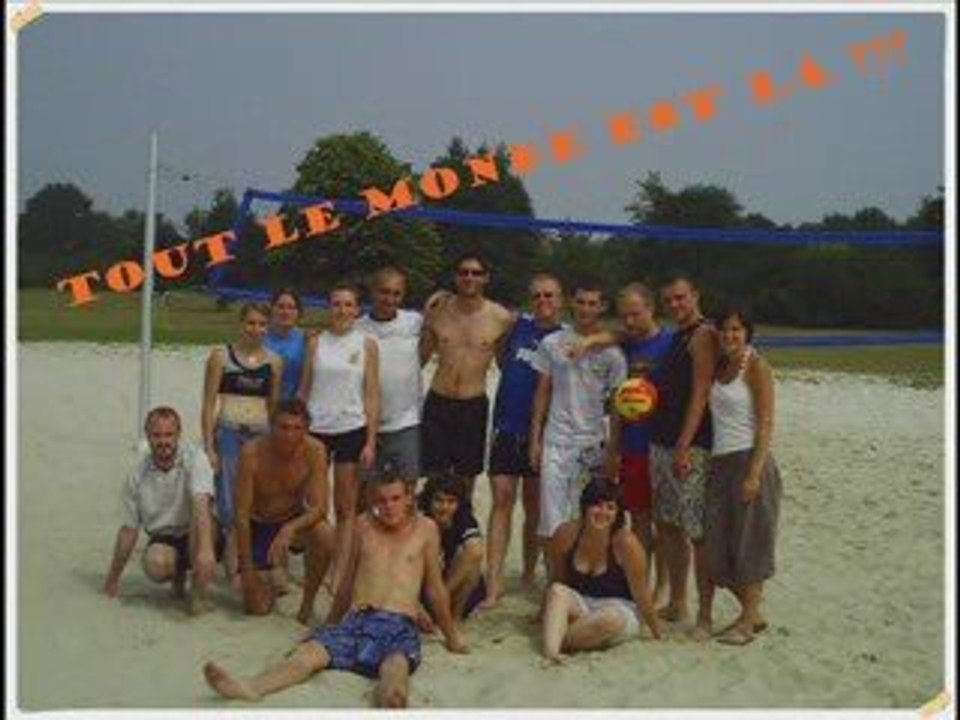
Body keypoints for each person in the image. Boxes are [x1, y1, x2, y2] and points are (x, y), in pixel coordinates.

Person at [202, 471, 469, 709]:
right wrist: (330, 623)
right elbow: (348, 583)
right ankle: (250, 688)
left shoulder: (426, 529)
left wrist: (451, 636)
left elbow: (434, 588)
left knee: (394, 671)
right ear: (372, 500)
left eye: (396, 498)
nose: (389, 507)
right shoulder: (364, 526)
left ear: (409, 497)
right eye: (381, 500)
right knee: (306, 656)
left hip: (398, 626)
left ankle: (392, 702)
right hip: (356, 621)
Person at [529, 281, 627, 570]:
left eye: (592, 303)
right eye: (581, 302)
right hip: (556, 442)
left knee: (589, 518)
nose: (586, 309)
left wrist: (613, 449)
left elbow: (617, 406)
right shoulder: (552, 343)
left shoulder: (613, 354)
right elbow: (542, 393)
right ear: (572, 302)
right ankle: (553, 585)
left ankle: (582, 583)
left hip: (592, 445)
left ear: (602, 307)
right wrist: (535, 440)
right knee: (551, 521)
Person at [482, 273, 565, 607]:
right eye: (537, 296)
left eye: (549, 295)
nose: (543, 301)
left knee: (534, 506)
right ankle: (495, 581)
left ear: (561, 300)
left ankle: (530, 573)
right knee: (501, 501)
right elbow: (501, 357)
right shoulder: (518, 327)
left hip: (542, 433)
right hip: (506, 425)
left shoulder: (566, 338)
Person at [704, 306, 782, 646]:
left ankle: (747, 624)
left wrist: (754, 473)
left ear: (747, 332)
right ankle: (753, 613)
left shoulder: (756, 366)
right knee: (718, 549)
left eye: (736, 329)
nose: (730, 335)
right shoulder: (721, 366)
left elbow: (766, 423)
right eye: (724, 330)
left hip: (750, 461)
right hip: (720, 463)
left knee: (751, 544)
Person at [648, 274, 719, 639]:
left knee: (695, 532)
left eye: (680, 298)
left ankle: (705, 616)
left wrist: (683, 445)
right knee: (669, 527)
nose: (675, 305)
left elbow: (701, 392)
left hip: (688, 447)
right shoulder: (678, 336)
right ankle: (678, 602)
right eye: (669, 300)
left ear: (695, 295)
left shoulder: (704, 334)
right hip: (661, 441)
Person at [298, 283, 380, 593]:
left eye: (348, 305)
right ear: (328, 307)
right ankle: (314, 563)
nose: (342, 310)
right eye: (336, 304)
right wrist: (299, 432)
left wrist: (371, 440)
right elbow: (305, 389)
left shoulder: (367, 344)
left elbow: (372, 395)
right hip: (317, 431)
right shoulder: (316, 342)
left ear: (357, 310)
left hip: (351, 429)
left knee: (346, 507)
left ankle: (339, 570)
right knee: (315, 505)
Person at [104, 406, 218, 614]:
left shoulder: (195, 458)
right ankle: (178, 575)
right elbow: (129, 530)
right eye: (156, 435)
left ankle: (199, 592)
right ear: (147, 437)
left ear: (178, 435)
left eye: (169, 435)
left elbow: (201, 503)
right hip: (165, 536)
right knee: (155, 564)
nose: (163, 441)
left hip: (198, 528)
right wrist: (112, 580)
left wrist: (205, 550)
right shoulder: (137, 476)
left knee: (200, 522)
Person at [420, 253, 514, 500]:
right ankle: (432, 535)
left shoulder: (500, 318)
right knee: (434, 479)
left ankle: (459, 531)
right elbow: (418, 358)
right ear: (455, 277)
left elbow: (507, 366)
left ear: (486, 279)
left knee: (465, 481)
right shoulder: (438, 311)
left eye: (476, 272)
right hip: (438, 402)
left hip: (472, 406)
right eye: (464, 272)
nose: (469, 277)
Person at [233, 398, 335, 624]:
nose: (290, 435)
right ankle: (267, 572)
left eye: (297, 428)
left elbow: (320, 508)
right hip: (258, 523)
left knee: (326, 535)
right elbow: (241, 515)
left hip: (291, 520)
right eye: (284, 427)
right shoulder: (252, 452)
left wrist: (290, 528)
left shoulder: (315, 450)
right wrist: (248, 571)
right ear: (271, 425)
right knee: (257, 607)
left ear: (306, 429)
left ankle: (307, 603)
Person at [603, 283, 674, 602]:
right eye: (624, 316)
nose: (629, 321)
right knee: (640, 520)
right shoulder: (625, 349)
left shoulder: (672, 344)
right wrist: (613, 447)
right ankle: (641, 584)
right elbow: (618, 403)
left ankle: (665, 586)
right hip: (633, 446)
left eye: (636, 313)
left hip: (664, 445)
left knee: (668, 524)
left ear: (651, 309)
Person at [201, 302, 283, 582]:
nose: (256, 329)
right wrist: (209, 447)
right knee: (228, 500)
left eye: (262, 324)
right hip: (229, 432)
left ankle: (254, 560)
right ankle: (232, 564)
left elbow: (273, 408)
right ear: (241, 324)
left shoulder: (274, 362)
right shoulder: (220, 357)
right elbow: (208, 403)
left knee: (253, 499)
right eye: (251, 323)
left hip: (259, 435)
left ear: (268, 327)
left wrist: (274, 447)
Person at [541, 477, 662, 664]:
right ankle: (552, 654)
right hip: (583, 603)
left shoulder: (627, 544)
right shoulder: (565, 534)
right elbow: (557, 578)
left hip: (620, 609)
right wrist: (544, 610)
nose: (603, 512)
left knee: (610, 619)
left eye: (610, 507)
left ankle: (559, 638)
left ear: (618, 513)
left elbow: (641, 593)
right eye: (596, 505)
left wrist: (657, 632)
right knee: (557, 591)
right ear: (585, 507)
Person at [355, 267, 424, 480]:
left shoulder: (414, 322)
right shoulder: (357, 329)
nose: (390, 299)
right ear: (373, 292)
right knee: (365, 492)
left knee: (407, 490)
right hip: (365, 424)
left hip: (406, 422)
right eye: (384, 292)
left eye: (396, 293)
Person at [417, 471, 486, 623]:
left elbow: (476, 551)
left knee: (471, 555)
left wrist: (442, 594)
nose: (444, 507)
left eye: (451, 501)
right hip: (421, 590)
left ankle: (454, 618)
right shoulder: (417, 518)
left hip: (452, 588)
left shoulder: (463, 518)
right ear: (428, 500)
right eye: (438, 500)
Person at [265, 288, 309, 401]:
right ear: (272, 309)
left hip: (292, 409)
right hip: (261, 405)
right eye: (280, 306)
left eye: (291, 307)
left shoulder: (308, 340)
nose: (286, 312)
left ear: (298, 312)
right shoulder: (260, 338)